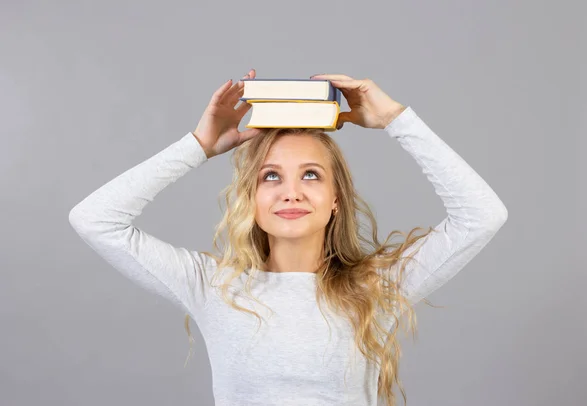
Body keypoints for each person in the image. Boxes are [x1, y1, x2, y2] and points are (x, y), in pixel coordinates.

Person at [68, 69, 508, 406]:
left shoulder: (377, 288)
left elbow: (482, 215)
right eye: (271, 176)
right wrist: (199, 145)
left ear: (336, 199)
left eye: (311, 175)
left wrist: (395, 119)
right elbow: (94, 219)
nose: (291, 192)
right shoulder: (213, 286)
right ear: (252, 199)